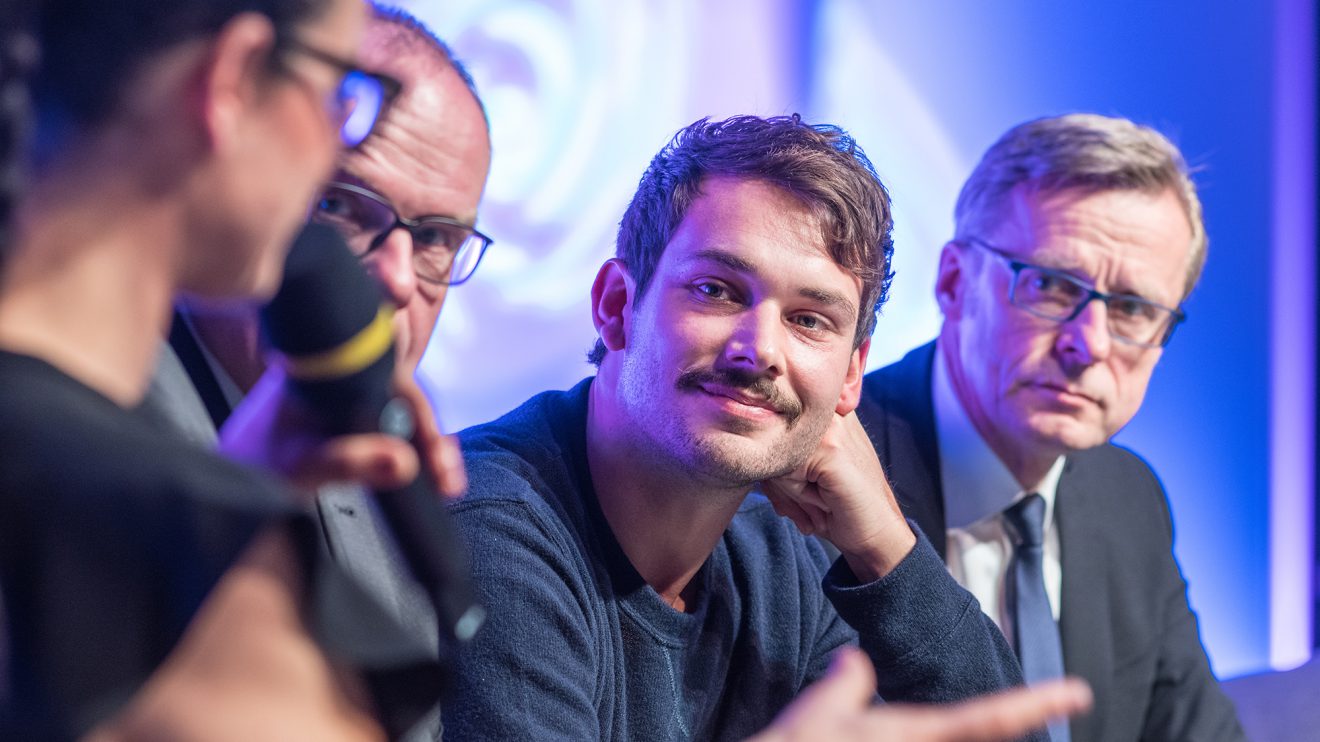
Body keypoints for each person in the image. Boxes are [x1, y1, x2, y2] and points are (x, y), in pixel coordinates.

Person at [441, 114, 1084, 741]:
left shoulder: (777, 557)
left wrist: (887, 548)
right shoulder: (491, 521)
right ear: (616, 306)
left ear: (851, 376)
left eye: (810, 320)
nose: (760, 350)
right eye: (717, 290)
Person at [0, 0, 441, 737]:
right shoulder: (234, 641)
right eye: (340, 92)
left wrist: (235, 486)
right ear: (232, 77)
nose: (334, 137)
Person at [137, 6, 493, 738]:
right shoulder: (101, 401)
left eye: (434, 239)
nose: (396, 278)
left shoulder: (401, 507)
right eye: (339, 204)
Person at [854, 113, 1245, 742]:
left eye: (1133, 309)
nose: (1087, 345)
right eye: (1052, 287)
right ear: (954, 282)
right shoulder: (818, 476)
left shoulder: (1130, 498)